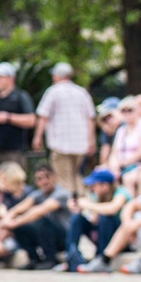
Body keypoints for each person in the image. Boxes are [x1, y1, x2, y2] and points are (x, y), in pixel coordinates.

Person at [32, 62, 96, 194]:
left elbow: (43, 116)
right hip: (80, 144)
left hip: (60, 143)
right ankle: (82, 204)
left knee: (63, 179)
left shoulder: (53, 92)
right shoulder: (82, 92)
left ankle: (69, 209)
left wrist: (38, 137)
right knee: (77, 176)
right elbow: (90, 118)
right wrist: (91, 140)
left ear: (57, 76)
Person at [0, 164, 72, 271]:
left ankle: (50, 259)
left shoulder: (61, 194)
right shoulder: (38, 194)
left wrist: (13, 223)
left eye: (47, 177)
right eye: (40, 179)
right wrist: (6, 222)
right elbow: (19, 208)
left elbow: (40, 210)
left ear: (54, 177)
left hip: (64, 237)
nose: (44, 181)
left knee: (40, 221)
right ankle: (34, 258)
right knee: (20, 227)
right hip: (47, 236)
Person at [61, 167, 131, 272]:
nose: (91, 188)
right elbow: (94, 220)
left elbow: (112, 209)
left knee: (106, 217)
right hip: (103, 235)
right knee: (77, 218)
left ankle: (101, 260)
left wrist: (89, 205)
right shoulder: (97, 197)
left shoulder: (122, 192)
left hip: (121, 240)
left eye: (94, 185)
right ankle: (71, 256)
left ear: (105, 186)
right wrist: (79, 209)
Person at [106, 96, 141, 180]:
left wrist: (123, 163)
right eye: (123, 110)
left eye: (130, 110)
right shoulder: (121, 130)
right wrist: (114, 166)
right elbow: (114, 152)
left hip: (137, 165)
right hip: (121, 166)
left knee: (129, 178)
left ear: (137, 110)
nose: (127, 113)